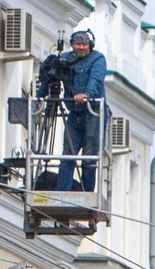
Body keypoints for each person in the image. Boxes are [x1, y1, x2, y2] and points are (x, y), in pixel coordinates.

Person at [43, 27, 107, 191]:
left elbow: (95, 80)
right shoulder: (66, 60)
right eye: (77, 44)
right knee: (68, 154)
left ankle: (87, 192)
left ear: (90, 45)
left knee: (89, 156)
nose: (81, 47)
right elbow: (50, 77)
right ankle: (62, 191)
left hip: (93, 113)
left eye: (84, 44)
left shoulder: (98, 59)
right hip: (74, 113)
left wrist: (86, 95)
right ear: (72, 45)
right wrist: (40, 95)